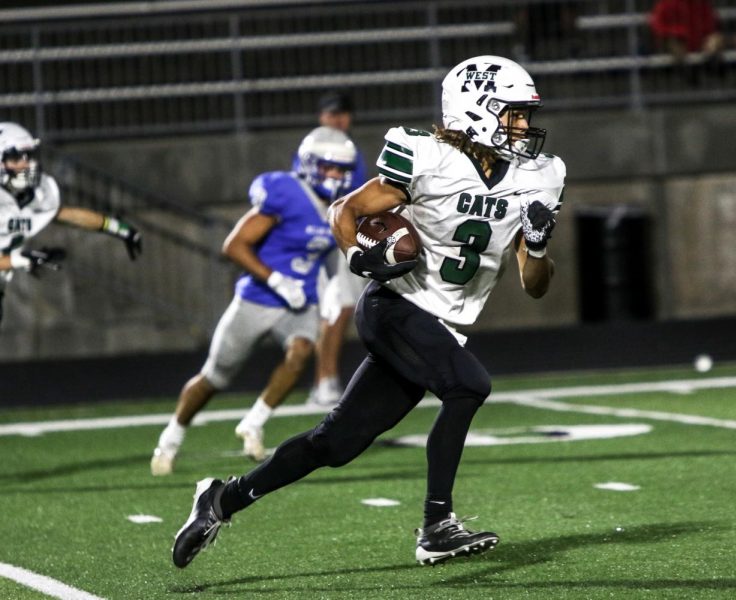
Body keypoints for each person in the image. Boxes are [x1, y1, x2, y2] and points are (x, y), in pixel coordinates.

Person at [170, 55, 565, 568]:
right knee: (469, 385)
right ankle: (437, 525)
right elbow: (346, 210)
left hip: (443, 329)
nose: (523, 126)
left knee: (334, 443)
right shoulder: (429, 157)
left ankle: (220, 500)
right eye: (511, 113)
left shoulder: (539, 177)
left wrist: (535, 247)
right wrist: (361, 256)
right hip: (394, 306)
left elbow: (535, 286)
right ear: (476, 111)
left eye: (523, 115)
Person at [149, 126, 357, 476]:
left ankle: (254, 422)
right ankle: (171, 437)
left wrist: (330, 286)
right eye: (328, 167)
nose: (336, 176)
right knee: (214, 378)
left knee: (301, 351)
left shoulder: (340, 205)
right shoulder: (286, 192)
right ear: (309, 165)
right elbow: (234, 245)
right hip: (259, 297)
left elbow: (321, 254)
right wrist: (275, 278)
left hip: (300, 299)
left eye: (341, 170)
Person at [0, 122, 142, 325]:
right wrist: (20, 260)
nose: (27, 164)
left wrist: (118, 228)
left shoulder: (36, 196)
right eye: (16, 158)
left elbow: (66, 214)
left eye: (28, 156)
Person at [306, 90, 370, 407]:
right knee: (337, 309)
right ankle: (324, 381)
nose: (338, 119)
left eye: (343, 113)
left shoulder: (351, 152)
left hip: (342, 236)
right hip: (322, 237)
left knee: (339, 311)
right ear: (322, 117)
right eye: (332, 114)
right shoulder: (315, 148)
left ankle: (324, 381)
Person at [650, 0, 725, 82]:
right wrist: (676, 32)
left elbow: (711, 24)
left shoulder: (702, 3)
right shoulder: (667, 3)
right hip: (676, 42)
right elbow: (657, 25)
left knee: (716, 38)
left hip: (699, 41)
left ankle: (711, 63)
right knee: (674, 42)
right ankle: (687, 69)